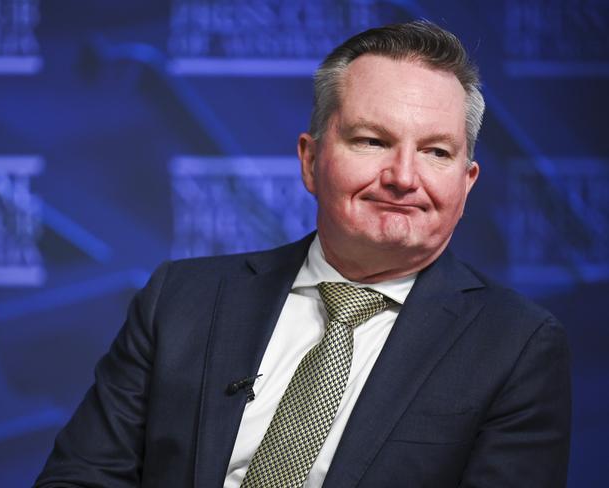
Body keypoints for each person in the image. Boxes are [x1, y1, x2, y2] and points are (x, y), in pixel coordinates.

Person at [35, 20, 571, 487]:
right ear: (311, 161)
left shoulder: (517, 346)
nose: (403, 178)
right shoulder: (179, 299)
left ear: (467, 182)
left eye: (436, 152)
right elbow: (80, 477)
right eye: (372, 141)